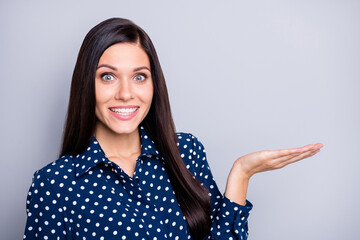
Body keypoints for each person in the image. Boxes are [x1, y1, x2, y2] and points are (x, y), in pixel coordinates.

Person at [23, 18, 323, 240]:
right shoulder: (55, 184)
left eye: (139, 77)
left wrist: (242, 173)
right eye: (108, 77)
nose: (126, 93)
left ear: (154, 85)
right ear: (86, 84)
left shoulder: (186, 152)